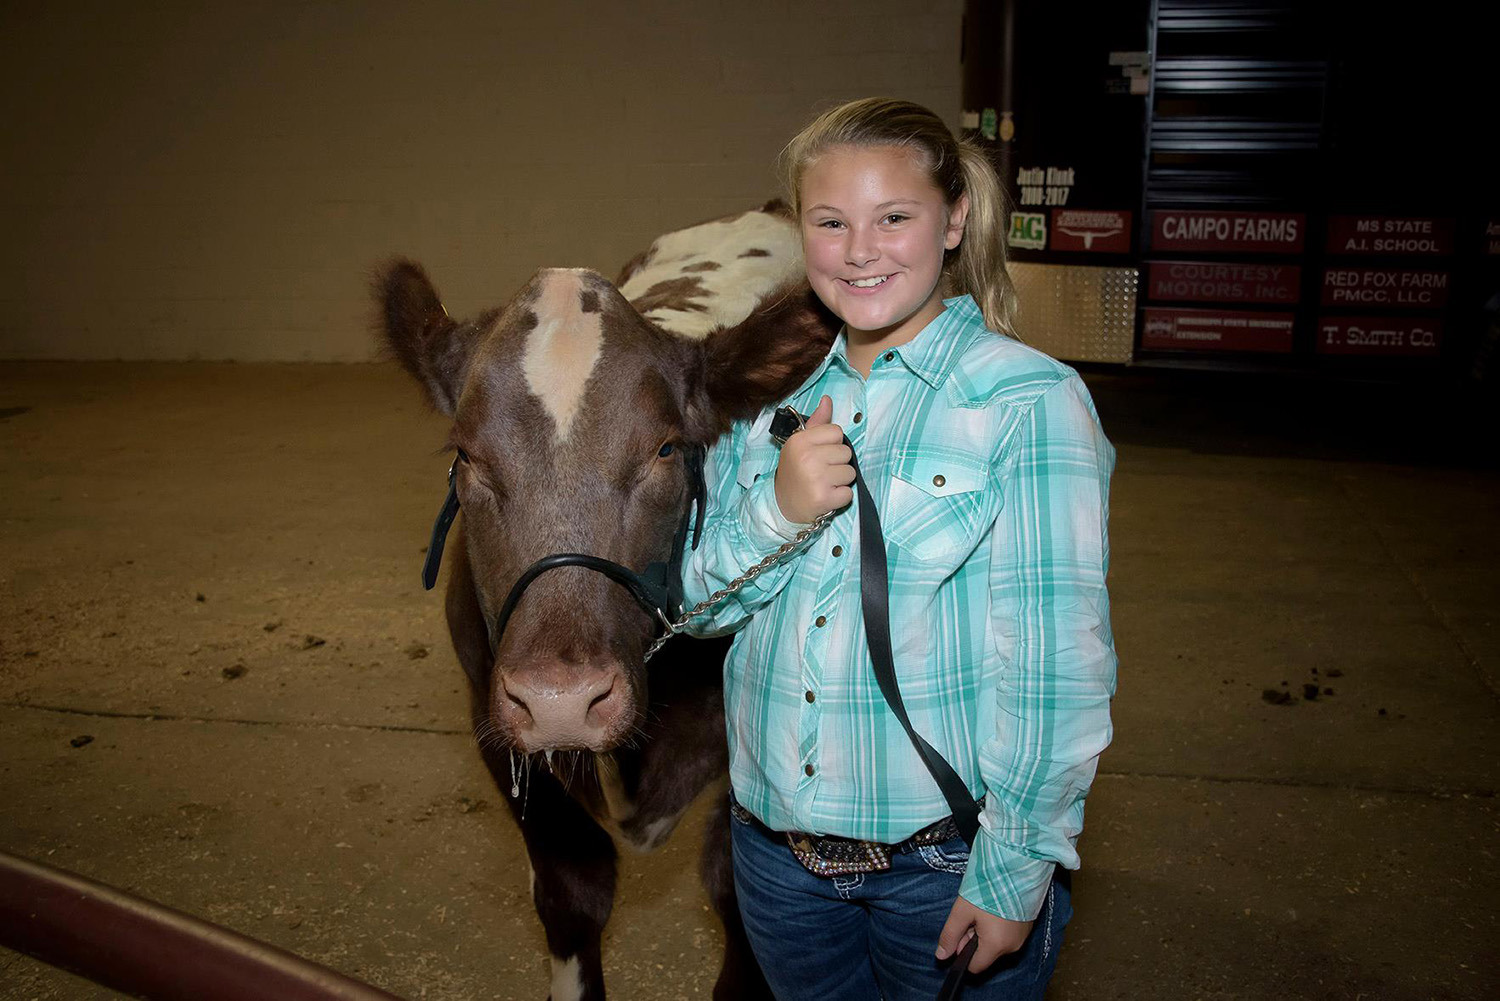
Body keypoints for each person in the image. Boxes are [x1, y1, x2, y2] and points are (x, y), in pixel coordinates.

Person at [681, 97, 1117, 1000]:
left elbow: (1056, 668)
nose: (860, 250)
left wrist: (1012, 873)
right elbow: (693, 607)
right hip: (776, 861)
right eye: (830, 222)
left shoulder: (1028, 402)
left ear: (953, 219)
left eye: (894, 218)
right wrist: (777, 509)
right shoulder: (766, 399)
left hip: (941, 866)